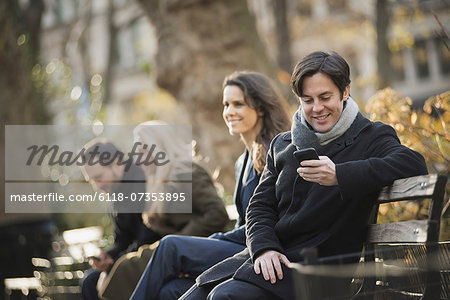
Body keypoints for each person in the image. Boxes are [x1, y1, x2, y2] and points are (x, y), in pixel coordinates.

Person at [179, 51, 428, 300]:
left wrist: (339, 174)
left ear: (345, 91)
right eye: (307, 100)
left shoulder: (370, 136)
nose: (317, 108)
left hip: (319, 271)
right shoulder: (283, 144)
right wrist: (264, 248)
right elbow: (259, 206)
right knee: (186, 295)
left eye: (325, 97)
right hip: (271, 261)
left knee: (224, 296)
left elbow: (413, 164)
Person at [129, 71, 291, 300]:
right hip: (238, 245)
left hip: (261, 250)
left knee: (170, 247)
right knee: (170, 290)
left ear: (261, 108)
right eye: (226, 104)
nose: (229, 112)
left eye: (238, 104)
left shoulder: (276, 152)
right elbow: (243, 221)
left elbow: (273, 220)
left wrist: (213, 241)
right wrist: (214, 241)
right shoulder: (242, 161)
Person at [96, 121, 229, 300]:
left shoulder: (184, 172)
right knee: (128, 266)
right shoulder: (159, 180)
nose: (137, 158)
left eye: (142, 150)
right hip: (180, 250)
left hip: (204, 247)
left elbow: (217, 214)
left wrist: (181, 242)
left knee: (128, 268)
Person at [80, 140, 161, 300]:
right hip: (133, 256)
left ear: (117, 162)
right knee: (89, 281)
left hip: (156, 254)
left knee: (96, 282)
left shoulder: (143, 182)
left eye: (99, 177)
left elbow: (149, 236)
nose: (96, 186)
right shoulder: (114, 189)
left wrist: (113, 264)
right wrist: (106, 256)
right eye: (92, 181)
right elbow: (122, 239)